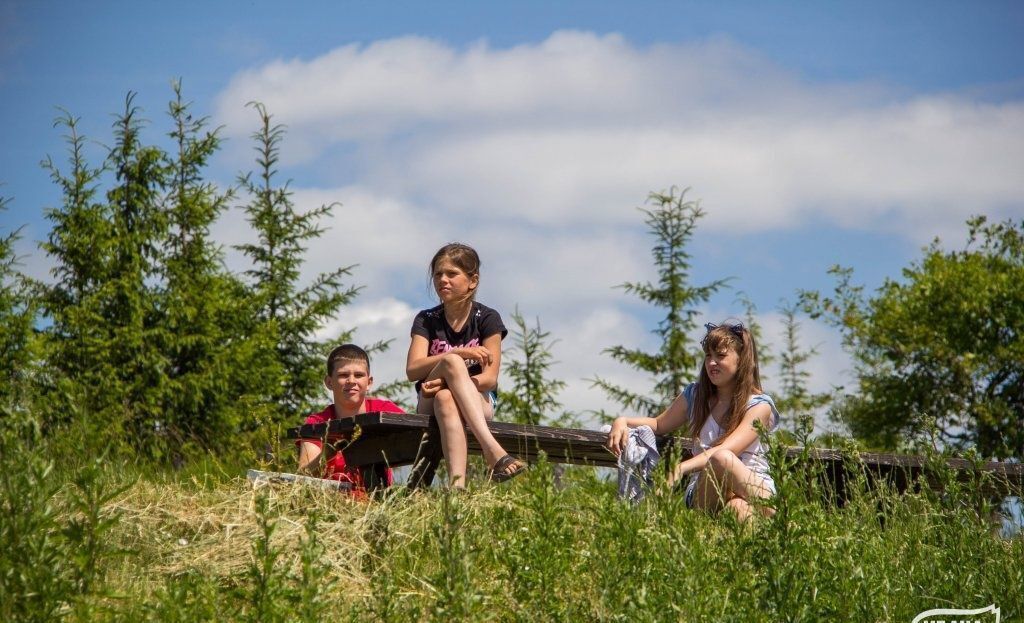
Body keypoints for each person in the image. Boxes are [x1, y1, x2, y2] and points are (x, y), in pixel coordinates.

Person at [606, 322, 780, 522]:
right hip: (706, 490)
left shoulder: (760, 406)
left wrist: (680, 468)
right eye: (708, 356)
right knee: (721, 462)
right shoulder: (695, 395)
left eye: (720, 356)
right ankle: (781, 523)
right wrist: (622, 421)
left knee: (738, 509)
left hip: (753, 486)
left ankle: (769, 529)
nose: (712, 363)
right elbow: (658, 424)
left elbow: (727, 450)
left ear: (741, 360)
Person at [406, 242, 527, 488]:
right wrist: (457, 355)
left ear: (472, 281)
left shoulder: (488, 318)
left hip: (479, 399)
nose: (443, 280)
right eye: (438, 274)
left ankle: (457, 490)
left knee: (446, 399)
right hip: (426, 399)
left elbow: (490, 379)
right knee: (451, 360)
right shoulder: (426, 319)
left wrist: (447, 381)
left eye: (452, 273)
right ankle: (492, 450)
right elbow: (413, 370)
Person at [296, 343, 404, 494]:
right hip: (332, 502)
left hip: (377, 501)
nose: (351, 380)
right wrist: (328, 452)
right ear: (329, 382)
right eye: (343, 375)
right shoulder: (317, 423)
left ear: (369, 382)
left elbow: (417, 443)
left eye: (359, 375)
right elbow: (303, 475)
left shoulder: (384, 410)